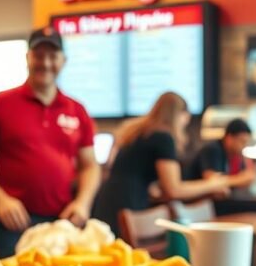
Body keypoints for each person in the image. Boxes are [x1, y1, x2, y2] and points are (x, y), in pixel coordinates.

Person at [0, 26, 100, 257]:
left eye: (52, 56)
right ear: (27, 57)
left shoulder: (77, 110)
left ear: (63, 60)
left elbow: (90, 165)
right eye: (38, 55)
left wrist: (83, 202)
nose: (45, 63)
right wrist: (0, 200)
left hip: (62, 220)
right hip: (13, 222)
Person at [92, 92, 230, 234]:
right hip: (127, 206)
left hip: (107, 201)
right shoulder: (163, 138)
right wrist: (212, 184)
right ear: (180, 115)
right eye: (185, 121)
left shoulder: (138, 132)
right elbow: (174, 190)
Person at [186, 118, 256, 188]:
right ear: (229, 138)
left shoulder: (234, 155)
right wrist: (241, 179)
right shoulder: (213, 149)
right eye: (242, 142)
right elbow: (213, 182)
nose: (244, 146)